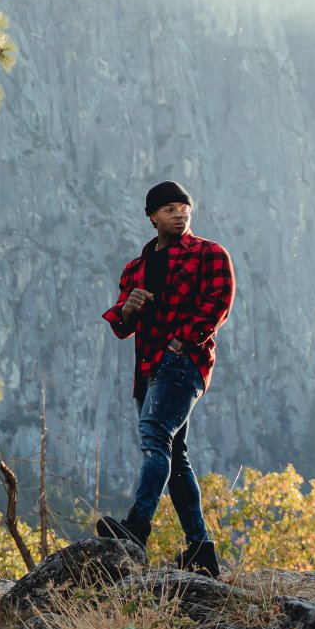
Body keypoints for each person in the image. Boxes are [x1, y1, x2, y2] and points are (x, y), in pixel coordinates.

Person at [99, 180, 235, 577]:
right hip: (148, 370)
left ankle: (136, 528)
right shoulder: (136, 268)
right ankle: (201, 550)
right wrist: (129, 308)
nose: (180, 213)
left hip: (182, 363)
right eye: (170, 208)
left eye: (184, 207)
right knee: (176, 458)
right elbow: (122, 325)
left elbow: (218, 304)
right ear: (152, 217)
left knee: (155, 436)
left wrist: (182, 341)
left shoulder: (210, 254)